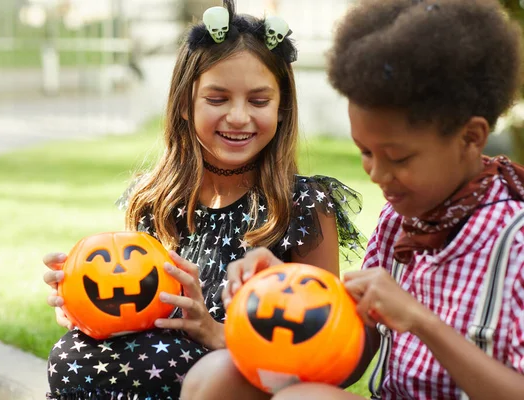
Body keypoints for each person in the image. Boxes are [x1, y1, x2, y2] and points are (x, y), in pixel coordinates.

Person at [180, 0, 524, 399]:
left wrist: (420, 322)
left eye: (398, 158)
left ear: (471, 137)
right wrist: (287, 289)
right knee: (217, 376)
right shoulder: (400, 222)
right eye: (365, 152)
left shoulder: (513, 240)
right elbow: (340, 363)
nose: (376, 175)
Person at [42, 1, 365, 399]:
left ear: (282, 110)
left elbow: (325, 350)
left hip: (236, 382)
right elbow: (135, 313)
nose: (238, 117)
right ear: (184, 103)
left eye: (259, 101)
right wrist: (84, 306)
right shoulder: (156, 200)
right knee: (71, 356)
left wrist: (214, 334)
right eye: (218, 99)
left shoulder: (301, 206)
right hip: (155, 368)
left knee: (165, 365)